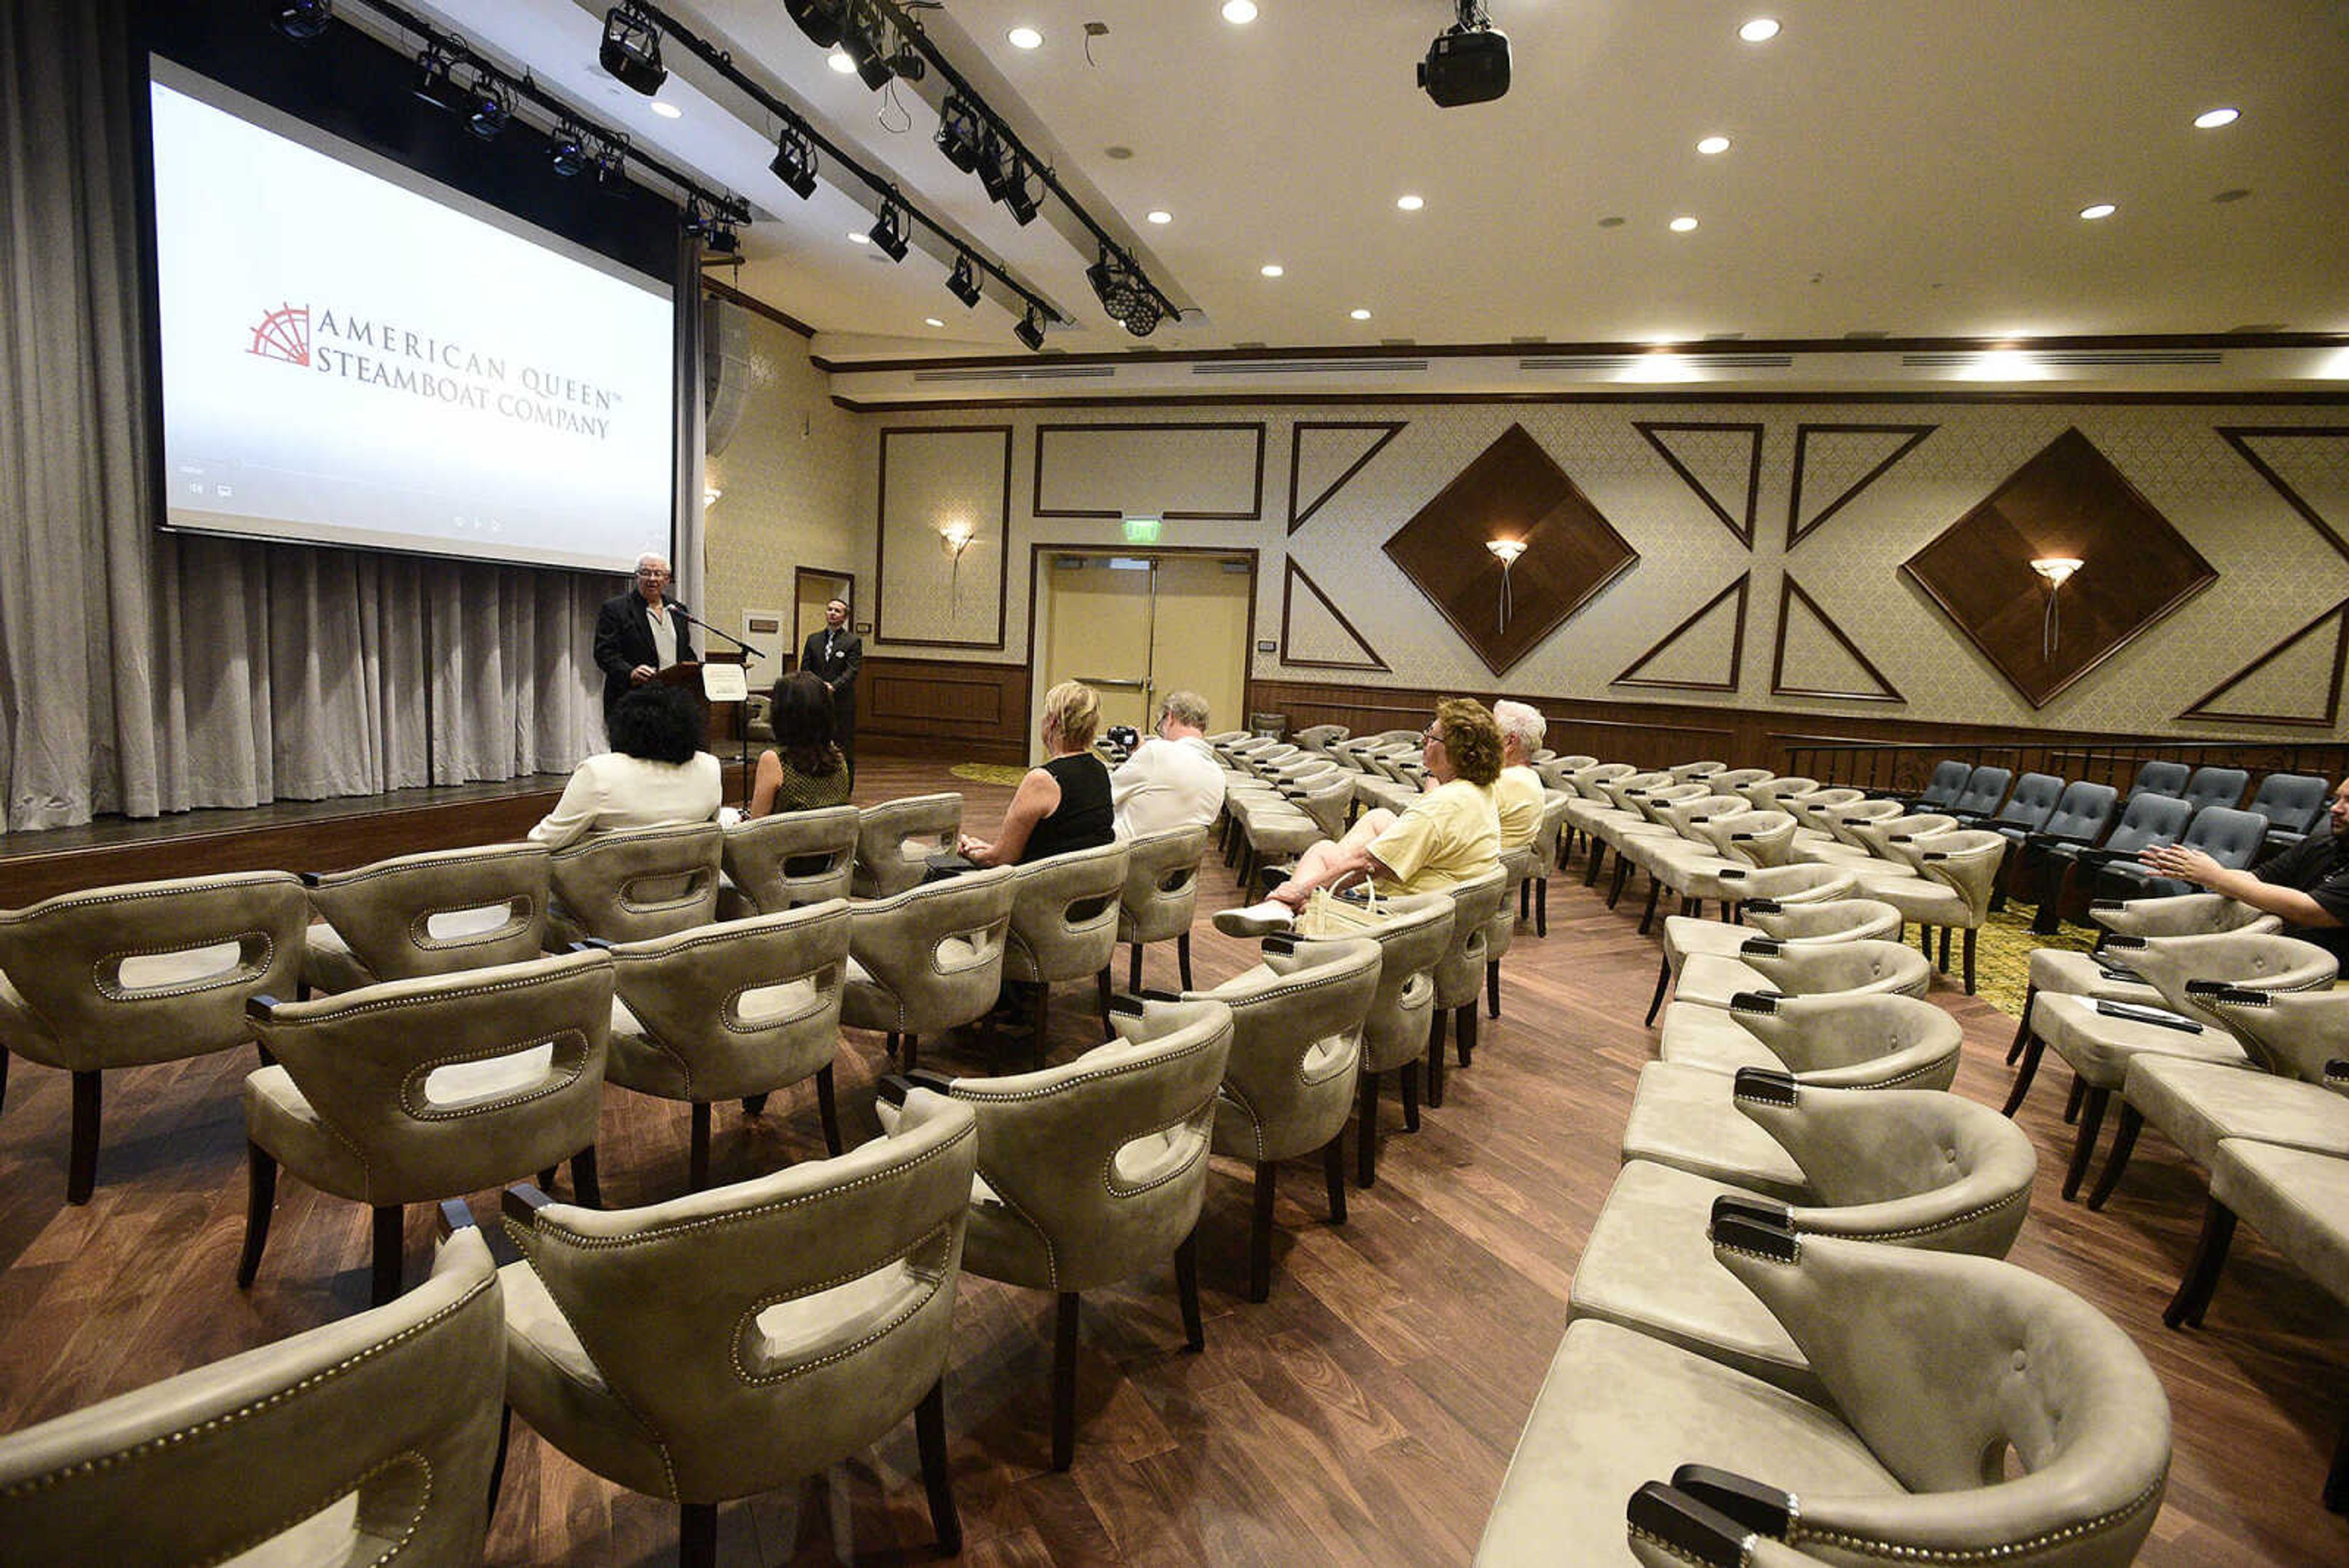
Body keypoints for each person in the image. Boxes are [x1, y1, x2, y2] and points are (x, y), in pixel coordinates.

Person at [1215, 698, 1503, 935]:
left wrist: (1303, 890)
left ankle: (1282, 906)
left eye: (1433, 735)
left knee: (1317, 871)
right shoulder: (1478, 791)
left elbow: (1369, 864)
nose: (1425, 740)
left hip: (1406, 915)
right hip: (1438, 907)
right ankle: (1281, 907)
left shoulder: (1444, 804)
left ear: (1458, 751)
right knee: (1327, 848)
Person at [2138, 777, 2349, 958]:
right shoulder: (2321, 844)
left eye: (2348, 802)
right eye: (2337, 799)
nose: (2336, 808)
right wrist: (2193, 869)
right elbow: (2257, 879)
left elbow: (2311, 910)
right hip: (2281, 951)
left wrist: (2216, 877)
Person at [528, 683, 722, 849]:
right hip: (691, 889)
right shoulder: (709, 766)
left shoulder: (599, 773)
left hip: (604, 891)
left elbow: (545, 841)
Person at [959, 680, 1114, 867]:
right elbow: (1066, 841)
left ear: (1053, 722)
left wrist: (971, 853)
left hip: (1044, 888)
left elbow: (1001, 859)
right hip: (1091, 882)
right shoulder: (1100, 771)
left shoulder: (1042, 780)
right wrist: (990, 849)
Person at [593, 553, 699, 734]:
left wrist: (695, 669)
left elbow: (685, 651)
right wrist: (630, 672)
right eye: (646, 573)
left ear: (667, 579)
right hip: (632, 698)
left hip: (672, 699)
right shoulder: (616, 609)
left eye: (658, 574)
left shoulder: (678, 610)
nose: (652, 579)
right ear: (637, 577)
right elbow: (605, 653)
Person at [1110, 689, 1226, 839]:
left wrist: (1142, 755)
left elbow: (1106, 794)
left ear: (1170, 717)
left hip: (1122, 855)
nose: (1161, 732)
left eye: (1160, 725)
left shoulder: (1156, 752)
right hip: (1176, 860)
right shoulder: (1218, 775)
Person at [748, 670, 851, 817]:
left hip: (788, 838)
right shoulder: (838, 757)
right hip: (833, 838)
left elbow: (756, 826)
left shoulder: (774, 760)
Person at [801, 597, 863, 775]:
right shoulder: (813, 640)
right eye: (830, 609)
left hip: (842, 702)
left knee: (843, 746)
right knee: (816, 743)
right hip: (817, 701)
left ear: (844, 617)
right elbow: (806, 668)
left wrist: (832, 687)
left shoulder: (852, 641)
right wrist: (816, 687)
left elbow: (852, 671)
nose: (832, 613)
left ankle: (845, 785)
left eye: (837, 611)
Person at [1490, 699, 1548, 850]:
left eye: (1491, 730)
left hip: (1478, 867)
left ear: (1510, 742)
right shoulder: (1529, 776)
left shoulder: (1505, 782)